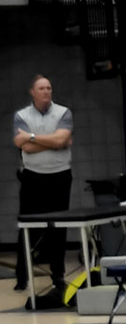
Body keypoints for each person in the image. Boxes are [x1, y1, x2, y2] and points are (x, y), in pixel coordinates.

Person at [12, 76, 73, 303]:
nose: (46, 91)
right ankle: (22, 276)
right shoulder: (22, 116)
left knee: (58, 228)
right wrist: (53, 141)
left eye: (49, 87)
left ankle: (58, 276)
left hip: (60, 176)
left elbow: (62, 141)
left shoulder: (63, 113)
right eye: (42, 88)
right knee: (27, 227)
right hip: (32, 178)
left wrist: (33, 137)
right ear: (33, 92)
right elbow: (24, 146)